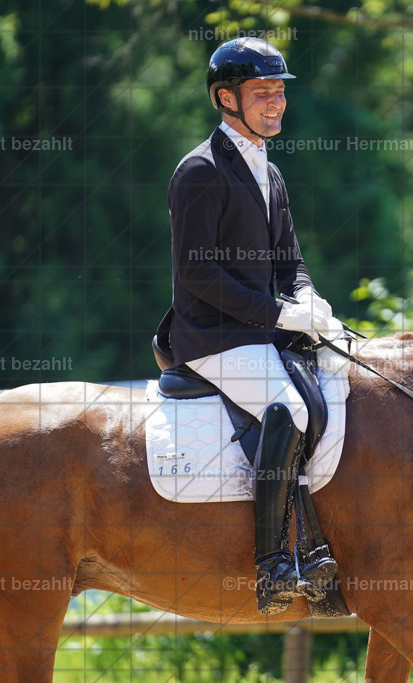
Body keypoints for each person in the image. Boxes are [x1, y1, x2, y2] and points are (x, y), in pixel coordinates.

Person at [155, 37, 340, 615]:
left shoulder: (269, 171)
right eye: (263, 93)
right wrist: (280, 314)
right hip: (212, 336)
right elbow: (197, 275)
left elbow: (290, 260)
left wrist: (309, 299)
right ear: (225, 98)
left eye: (279, 92)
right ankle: (273, 565)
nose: (276, 103)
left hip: (261, 331)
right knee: (290, 409)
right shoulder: (200, 171)